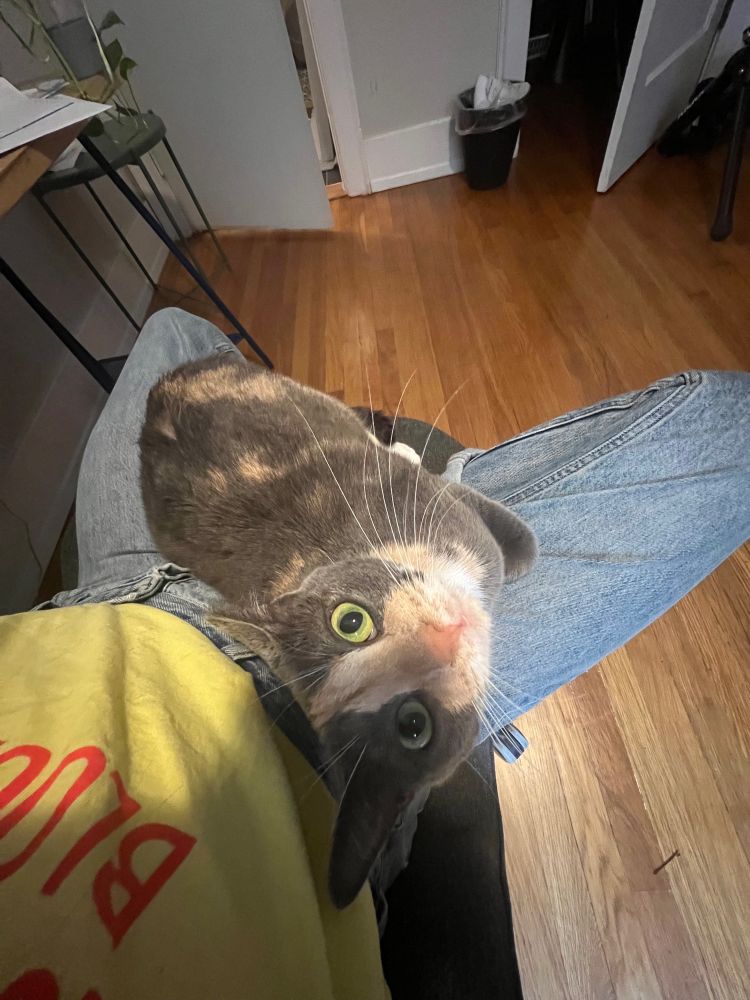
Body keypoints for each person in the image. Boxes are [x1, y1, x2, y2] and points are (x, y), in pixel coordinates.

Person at [1, 308, 748, 997]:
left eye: (363, 628)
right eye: (416, 717)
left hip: (110, 614)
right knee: (728, 433)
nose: (443, 636)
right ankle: (413, 478)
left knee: (169, 330)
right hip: (309, 758)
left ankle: (376, 464)